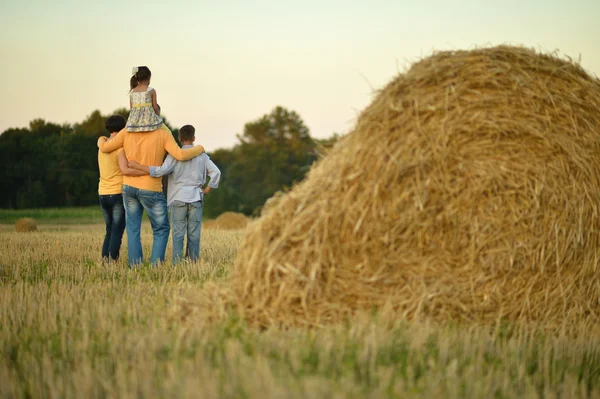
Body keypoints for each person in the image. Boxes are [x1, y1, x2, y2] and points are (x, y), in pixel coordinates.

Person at [98, 72, 205, 267]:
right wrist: (199, 148)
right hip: (151, 187)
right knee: (161, 228)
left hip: (129, 187)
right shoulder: (162, 131)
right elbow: (181, 155)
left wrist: (101, 139)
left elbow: (105, 148)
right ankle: (156, 266)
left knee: (132, 229)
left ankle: (136, 266)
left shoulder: (126, 131)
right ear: (154, 108)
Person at [129, 125, 221, 263]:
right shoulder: (202, 156)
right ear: (194, 138)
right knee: (194, 233)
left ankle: (176, 263)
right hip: (196, 197)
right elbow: (216, 172)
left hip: (178, 198)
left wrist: (137, 166)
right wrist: (208, 189)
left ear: (179, 138)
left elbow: (160, 171)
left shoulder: (174, 154)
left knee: (178, 233)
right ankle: (193, 262)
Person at [97, 115, 146, 262]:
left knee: (109, 229)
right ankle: (112, 260)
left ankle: (105, 259)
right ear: (123, 128)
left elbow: (101, 140)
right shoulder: (119, 149)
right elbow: (125, 170)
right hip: (117, 193)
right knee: (117, 230)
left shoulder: (102, 146)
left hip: (102, 193)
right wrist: (145, 171)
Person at [127, 66, 163, 132]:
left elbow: (131, 109)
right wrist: (158, 116)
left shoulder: (132, 92)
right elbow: (155, 107)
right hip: (148, 121)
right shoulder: (151, 90)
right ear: (149, 77)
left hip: (134, 123)